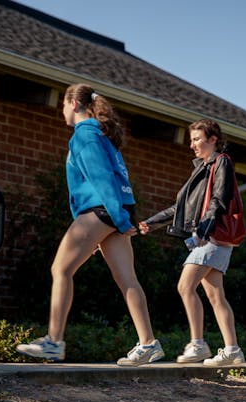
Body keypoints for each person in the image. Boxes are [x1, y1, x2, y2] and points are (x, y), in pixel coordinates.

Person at [16, 84, 163, 366]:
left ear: (73, 103)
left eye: (62, 104)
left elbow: (102, 178)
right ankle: (149, 344)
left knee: (60, 269)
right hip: (114, 210)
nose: (61, 110)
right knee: (127, 280)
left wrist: (116, 220)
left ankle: (53, 342)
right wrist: (120, 220)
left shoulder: (84, 134)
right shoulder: (101, 134)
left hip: (101, 209)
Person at [139, 119, 245, 367]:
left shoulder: (221, 163)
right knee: (215, 294)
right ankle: (232, 350)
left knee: (185, 286)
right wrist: (151, 222)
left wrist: (202, 232)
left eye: (197, 139)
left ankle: (198, 344)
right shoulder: (202, 168)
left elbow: (219, 200)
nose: (192, 145)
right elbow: (181, 207)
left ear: (213, 140)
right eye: (191, 140)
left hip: (212, 235)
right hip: (211, 236)